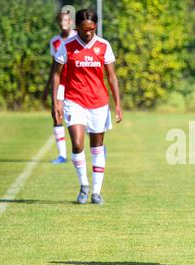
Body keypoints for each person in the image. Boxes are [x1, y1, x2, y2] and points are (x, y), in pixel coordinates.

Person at [51, 8, 123, 205]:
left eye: (92, 29)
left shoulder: (104, 46)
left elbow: (112, 76)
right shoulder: (67, 46)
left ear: (96, 26)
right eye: (84, 30)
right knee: (77, 144)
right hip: (74, 101)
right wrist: (56, 101)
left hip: (99, 103)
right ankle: (84, 185)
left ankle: (96, 191)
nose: (88, 33)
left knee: (97, 146)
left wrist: (117, 104)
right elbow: (56, 74)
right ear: (77, 28)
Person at [43, 12, 77, 164]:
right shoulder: (55, 42)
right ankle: (62, 155)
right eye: (61, 20)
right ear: (58, 22)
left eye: (67, 20)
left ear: (71, 22)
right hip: (61, 84)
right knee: (57, 115)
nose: (64, 22)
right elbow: (54, 67)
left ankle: (97, 146)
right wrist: (47, 87)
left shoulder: (77, 37)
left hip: (76, 84)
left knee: (82, 118)